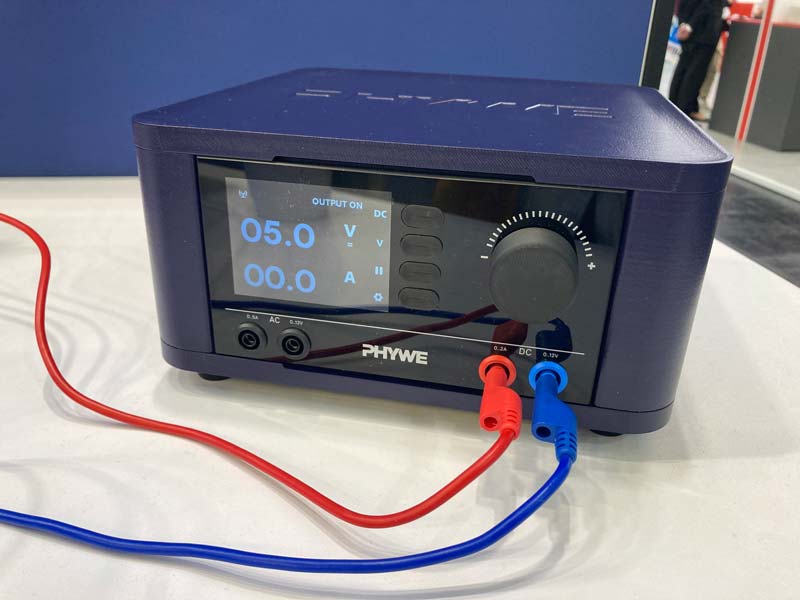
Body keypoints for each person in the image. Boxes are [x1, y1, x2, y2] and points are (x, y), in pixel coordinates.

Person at [669, 0, 724, 119]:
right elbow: (708, 5)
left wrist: (684, 24)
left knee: (684, 67)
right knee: (695, 73)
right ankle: (685, 110)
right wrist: (690, 26)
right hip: (704, 30)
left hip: (690, 25)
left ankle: (674, 105)